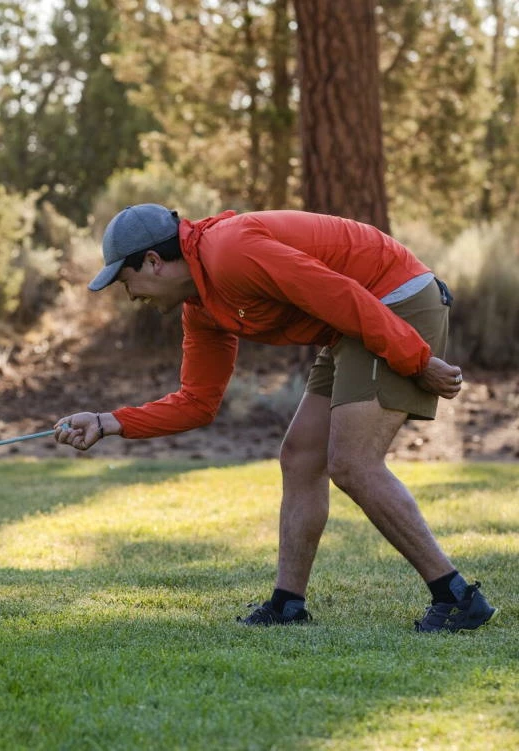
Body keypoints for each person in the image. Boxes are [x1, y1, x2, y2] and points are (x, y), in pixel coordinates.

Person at [54, 204, 498, 632]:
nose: (130, 296)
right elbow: (198, 401)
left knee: (353, 463)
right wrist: (109, 420)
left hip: (392, 301)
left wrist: (417, 360)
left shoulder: (230, 253)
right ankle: (288, 604)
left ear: (153, 261)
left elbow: (337, 293)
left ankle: (457, 597)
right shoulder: (203, 307)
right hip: (354, 322)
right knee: (301, 455)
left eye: (125, 281)